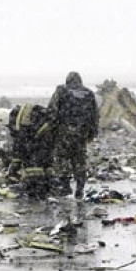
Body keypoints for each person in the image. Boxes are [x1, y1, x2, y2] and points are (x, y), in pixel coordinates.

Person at [47, 71, 99, 199]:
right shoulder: (89, 93)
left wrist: (51, 130)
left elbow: (52, 110)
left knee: (62, 157)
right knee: (80, 160)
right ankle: (80, 188)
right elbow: (95, 115)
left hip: (64, 131)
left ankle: (65, 186)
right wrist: (92, 132)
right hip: (82, 133)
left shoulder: (61, 90)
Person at [2, 103, 55, 199]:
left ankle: (36, 188)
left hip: (42, 138)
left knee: (31, 161)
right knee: (44, 160)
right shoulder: (24, 115)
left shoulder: (19, 125)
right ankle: (47, 184)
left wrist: (13, 169)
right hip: (50, 135)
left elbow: (19, 148)